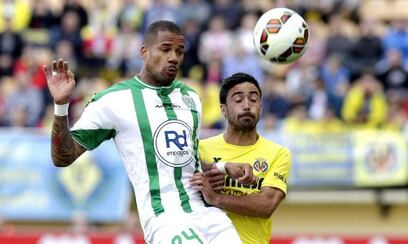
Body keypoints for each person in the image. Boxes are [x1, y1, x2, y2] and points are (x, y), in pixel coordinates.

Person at [44, 20, 255, 244]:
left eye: (179, 51)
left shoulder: (191, 97)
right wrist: (61, 106)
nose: (174, 57)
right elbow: (62, 157)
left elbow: (184, 158)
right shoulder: (113, 101)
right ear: (144, 52)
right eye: (165, 49)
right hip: (165, 220)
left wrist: (223, 167)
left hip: (210, 216)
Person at [191, 72, 292, 244]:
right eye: (238, 100)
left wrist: (217, 198)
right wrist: (222, 167)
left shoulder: (278, 153)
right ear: (223, 109)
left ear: (260, 107)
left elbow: (266, 205)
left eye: (253, 100)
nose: (247, 105)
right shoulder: (200, 149)